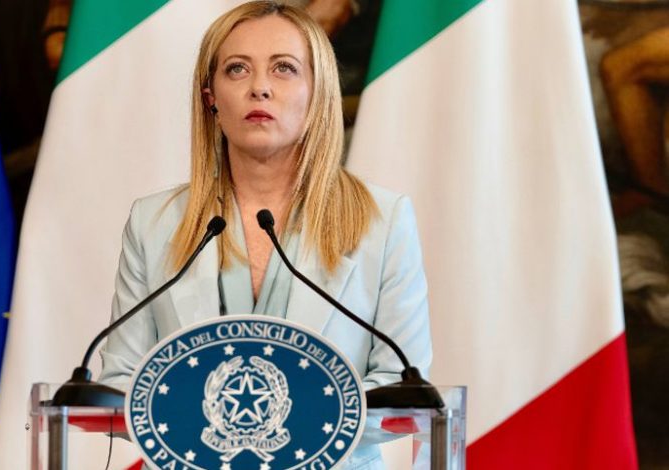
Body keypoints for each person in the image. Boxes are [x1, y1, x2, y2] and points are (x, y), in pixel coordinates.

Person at [99, 2, 432, 468]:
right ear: (211, 98)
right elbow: (120, 385)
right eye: (237, 69)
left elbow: (402, 391)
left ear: (318, 93)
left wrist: (262, 428)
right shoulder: (153, 223)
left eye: (284, 68)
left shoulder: (384, 220)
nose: (259, 87)